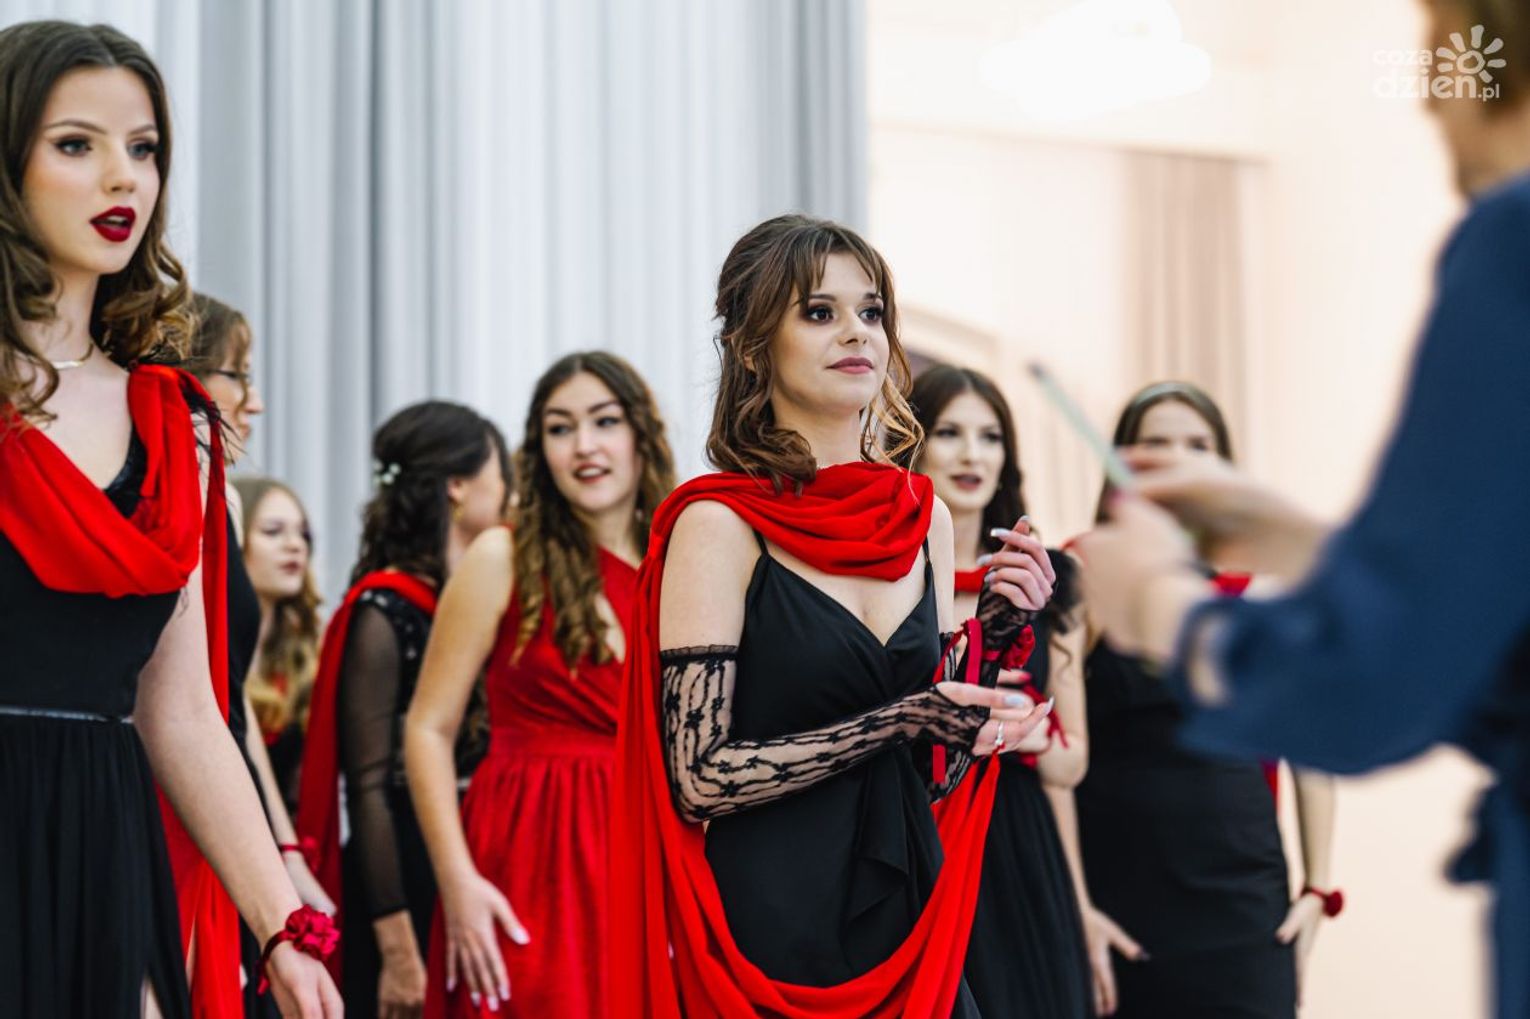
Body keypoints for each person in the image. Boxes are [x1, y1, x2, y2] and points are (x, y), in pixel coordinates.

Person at [1076, 5, 1530, 1015]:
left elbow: (1364, 687)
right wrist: (1305, 543)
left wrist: (1155, 601)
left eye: (1436, 53)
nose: (1428, 100)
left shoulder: (1514, 245)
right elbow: (1489, 640)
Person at [610, 213, 1058, 1017]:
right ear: (754, 347)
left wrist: (991, 634)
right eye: (819, 312)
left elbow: (932, 772)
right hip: (769, 926)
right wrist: (896, 720)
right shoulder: (718, 524)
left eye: (871, 311)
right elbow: (699, 776)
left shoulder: (923, 515)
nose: (856, 332)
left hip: (907, 907)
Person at [0, 20, 339, 1017]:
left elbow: (185, 711)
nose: (124, 177)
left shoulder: (174, 421)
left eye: (143, 148)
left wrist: (283, 927)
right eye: (77, 143)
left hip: (107, 848)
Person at [406, 351, 676, 1017]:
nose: (584, 446)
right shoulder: (502, 555)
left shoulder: (682, 561)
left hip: (646, 850)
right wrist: (457, 881)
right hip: (529, 854)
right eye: (560, 428)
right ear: (538, 449)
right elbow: (427, 728)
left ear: (641, 433)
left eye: (604, 421)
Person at [1073, 383, 1335, 1019]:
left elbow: (1310, 746)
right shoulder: (1088, 571)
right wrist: (1073, 902)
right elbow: (1053, 750)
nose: (1177, 459)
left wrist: (1317, 890)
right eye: (1156, 444)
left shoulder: (1258, 587)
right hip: (1119, 889)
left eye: (1197, 446)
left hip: (1243, 891)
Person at [296, 400, 509, 1017]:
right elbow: (367, 788)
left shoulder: (474, 599)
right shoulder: (384, 612)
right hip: (405, 877)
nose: (511, 491)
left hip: (472, 859)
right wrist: (398, 950)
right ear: (458, 485)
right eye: (502, 473)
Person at [908, 364, 1094, 1018]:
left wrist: (1031, 732)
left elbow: (1074, 763)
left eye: (989, 437)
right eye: (949, 433)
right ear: (914, 444)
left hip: (1018, 838)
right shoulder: (893, 578)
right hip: (923, 834)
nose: (971, 454)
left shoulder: (1052, 577)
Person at [187, 294, 333, 1017]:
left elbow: (230, 706)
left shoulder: (224, 497)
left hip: (225, 794)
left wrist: (287, 851)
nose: (256, 402)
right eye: (238, 374)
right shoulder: (178, 480)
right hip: (175, 796)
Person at [232, 475, 322, 818]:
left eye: (303, 534)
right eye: (273, 531)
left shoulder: (307, 650)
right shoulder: (204, 651)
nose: (294, 545)